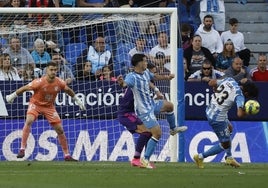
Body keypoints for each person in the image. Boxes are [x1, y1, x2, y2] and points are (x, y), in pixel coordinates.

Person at [117, 54, 188, 168]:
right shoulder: (132, 77)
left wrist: (167, 77)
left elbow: (153, 77)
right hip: (144, 111)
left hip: (151, 104)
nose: (146, 63)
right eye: (145, 61)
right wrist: (121, 82)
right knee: (157, 133)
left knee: (169, 105)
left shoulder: (145, 73)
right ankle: (145, 159)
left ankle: (173, 129)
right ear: (139, 63)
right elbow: (125, 84)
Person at [5, 61, 86, 161]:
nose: (53, 72)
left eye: (55, 70)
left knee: (60, 129)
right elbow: (25, 88)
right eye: (51, 70)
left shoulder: (59, 82)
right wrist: (12, 96)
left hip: (49, 107)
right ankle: (22, 149)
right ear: (47, 70)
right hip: (36, 104)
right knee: (29, 120)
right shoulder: (39, 82)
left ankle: (67, 155)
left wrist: (77, 100)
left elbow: (68, 90)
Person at [193, 77, 259, 168]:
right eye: (248, 96)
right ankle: (200, 157)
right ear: (246, 93)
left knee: (230, 128)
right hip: (217, 119)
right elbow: (240, 114)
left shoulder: (230, 80)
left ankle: (229, 158)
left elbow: (212, 83)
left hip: (211, 109)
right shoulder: (240, 96)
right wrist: (248, 112)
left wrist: (214, 87)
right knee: (225, 144)